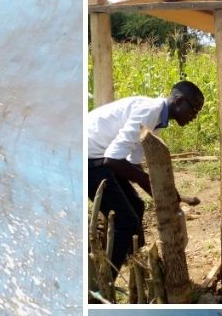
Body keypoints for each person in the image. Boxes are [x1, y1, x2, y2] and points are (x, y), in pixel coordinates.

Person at [86, 81, 205, 272]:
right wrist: (154, 187)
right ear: (179, 101)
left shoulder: (156, 120)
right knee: (126, 222)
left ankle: (135, 262)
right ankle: (105, 282)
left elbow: (132, 164)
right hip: (88, 159)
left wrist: (161, 194)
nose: (194, 116)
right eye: (194, 109)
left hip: (99, 157)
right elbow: (113, 159)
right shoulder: (150, 112)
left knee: (137, 206)